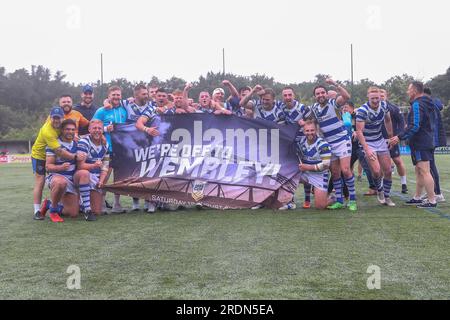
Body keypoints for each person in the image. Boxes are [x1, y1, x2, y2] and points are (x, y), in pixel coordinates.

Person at [306, 78, 356, 211]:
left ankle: (352, 200)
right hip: (329, 144)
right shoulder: (314, 108)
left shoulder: (334, 103)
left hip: (342, 141)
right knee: (335, 173)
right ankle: (339, 200)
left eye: (323, 92)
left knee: (345, 170)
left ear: (326, 94)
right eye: (318, 93)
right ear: (315, 96)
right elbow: (313, 124)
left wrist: (335, 84)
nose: (321, 95)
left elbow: (346, 96)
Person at [389, 81, 437, 208]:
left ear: (415, 91)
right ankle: (417, 197)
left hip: (421, 142)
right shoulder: (428, 103)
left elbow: (415, 125)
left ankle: (432, 200)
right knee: (419, 171)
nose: (407, 92)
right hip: (426, 140)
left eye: (409, 89)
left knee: (425, 171)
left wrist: (399, 137)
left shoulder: (417, 104)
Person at [31, 107, 84, 220]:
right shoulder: (47, 131)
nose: (56, 121)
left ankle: (50, 204)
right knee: (40, 181)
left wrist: (77, 137)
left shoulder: (62, 125)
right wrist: (74, 156)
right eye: (54, 118)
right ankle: (37, 210)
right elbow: (60, 152)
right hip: (40, 155)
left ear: (62, 118)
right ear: (50, 118)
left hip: (52, 153)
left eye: (58, 118)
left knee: (73, 212)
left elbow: (69, 132)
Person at [356, 87, 395, 207]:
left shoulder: (384, 106)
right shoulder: (363, 110)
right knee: (377, 171)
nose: (375, 101)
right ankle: (380, 190)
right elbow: (359, 131)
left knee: (388, 171)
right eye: (373, 98)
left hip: (380, 140)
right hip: (368, 142)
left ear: (380, 97)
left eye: (377, 98)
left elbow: (388, 120)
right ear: (368, 97)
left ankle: (387, 196)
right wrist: (367, 149)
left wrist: (390, 137)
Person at [92, 85, 129, 213]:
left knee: (119, 177)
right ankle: (101, 204)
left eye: (118, 95)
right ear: (108, 96)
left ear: (121, 96)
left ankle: (117, 204)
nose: (116, 97)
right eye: (113, 95)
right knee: (104, 177)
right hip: (106, 149)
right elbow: (91, 128)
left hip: (121, 149)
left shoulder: (125, 110)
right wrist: (105, 129)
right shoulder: (102, 111)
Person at [40, 119, 80, 222]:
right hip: (56, 177)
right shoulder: (54, 144)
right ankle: (53, 210)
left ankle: (48, 204)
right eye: (67, 129)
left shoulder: (77, 143)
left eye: (72, 129)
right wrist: (60, 167)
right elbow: (48, 167)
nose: (70, 132)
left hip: (71, 181)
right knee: (61, 182)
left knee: (73, 213)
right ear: (61, 130)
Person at [75, 120, 110, 220]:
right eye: (94, 128)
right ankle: (87, 210)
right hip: (81, 176)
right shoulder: (84, 142)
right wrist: (94, 165)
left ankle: (82, 203)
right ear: (89, 130)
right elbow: (80, 166)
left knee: (97, 211)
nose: (97, 130)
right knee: (85, 173)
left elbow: (105, 166)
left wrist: (101, 181)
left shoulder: (105, 144)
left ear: (103, 130)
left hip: (95, 178)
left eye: (99, 128)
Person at [293, 121, 333, 210]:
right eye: (307, 131)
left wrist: (307, 167)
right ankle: (288, 202)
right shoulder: (301, 142)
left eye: (312, 130)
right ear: (304, 132)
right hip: (305, 174)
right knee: (286, 177)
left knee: (320, 206)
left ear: (316, 130)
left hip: (320, 175)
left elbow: (326, 165)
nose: (310, 133)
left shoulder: (323, 145)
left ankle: (334, 198)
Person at [380, 89, 408, 194]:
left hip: (392, 140)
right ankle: (382, 186)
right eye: (379, 95)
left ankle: (404, 184)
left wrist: (398, 136)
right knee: (382, 164)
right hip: (379, 140)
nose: (381, 96)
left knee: (397, 161)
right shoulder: (373, 108)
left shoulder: (394, 108)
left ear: (386, 96)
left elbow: (402, 123)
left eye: (383, 95)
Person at [423, 87, 446, 203]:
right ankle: (432, 191)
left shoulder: (430, 105)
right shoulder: (434, 104)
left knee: (430, 167)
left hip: (430, 140)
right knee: (427, 167)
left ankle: (437, 193)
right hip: (432, 139)